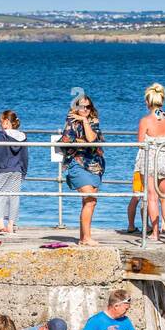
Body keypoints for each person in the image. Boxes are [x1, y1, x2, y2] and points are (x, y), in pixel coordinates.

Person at [59, 93, 105, 246]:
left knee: (89, 202)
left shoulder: (93, 121)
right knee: (90, 199)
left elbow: (92, 139)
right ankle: (86, 238)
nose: (84, 109)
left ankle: (83, 237)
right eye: (81, 106)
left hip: (95, 166)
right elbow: (65, 142)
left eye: (87, 106)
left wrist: (84, 120)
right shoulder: (70, 122)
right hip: (77, 164)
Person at [136, 82, 165, 238]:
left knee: (152, 199)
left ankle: (155, 233)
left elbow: (140, 142)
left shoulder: (145, 120)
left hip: (150, 161)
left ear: (148, 102)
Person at [0, 110, 28, 234]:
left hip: (3, 170)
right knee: (14, 197)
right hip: (17, 170)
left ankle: (0, 223)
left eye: (0, 122)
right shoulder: (23, 136)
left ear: (6, 122)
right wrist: (24, 171)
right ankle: (10, 225)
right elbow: (25, 156)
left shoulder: (2, 135)